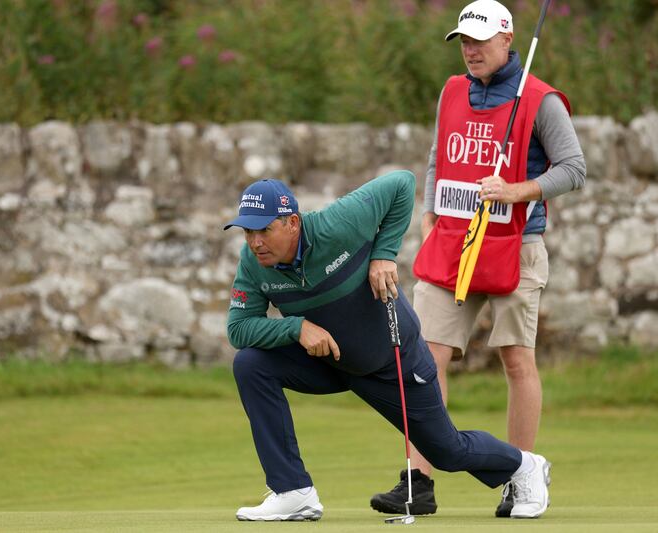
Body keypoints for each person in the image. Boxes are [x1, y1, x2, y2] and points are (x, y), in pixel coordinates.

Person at [225, 171, 552, 522]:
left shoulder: (338, 224)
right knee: (251, 365)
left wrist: (384, 254)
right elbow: (239, 328)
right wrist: (296, 327)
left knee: (447, 451)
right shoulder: (254, 265)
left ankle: (525, 465)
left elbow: (401, 183)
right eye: (248, 232)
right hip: (328, 362)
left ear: (292, 222)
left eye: (264, 230)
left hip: (391, 359)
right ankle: (293, 492)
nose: (255, 241)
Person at [370, 0, 586, 519]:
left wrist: (518, 190)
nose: (470, 50)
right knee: (425, 359)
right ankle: (417, 481)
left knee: (516, 359)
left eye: (480, 40)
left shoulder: (539, 99)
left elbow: (574, 169)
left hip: (517, 243)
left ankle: (521, 475)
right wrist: (428, 209)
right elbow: (438, 154)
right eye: (463, 41)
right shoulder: (452, 91)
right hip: (451, 239)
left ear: (508, 39)